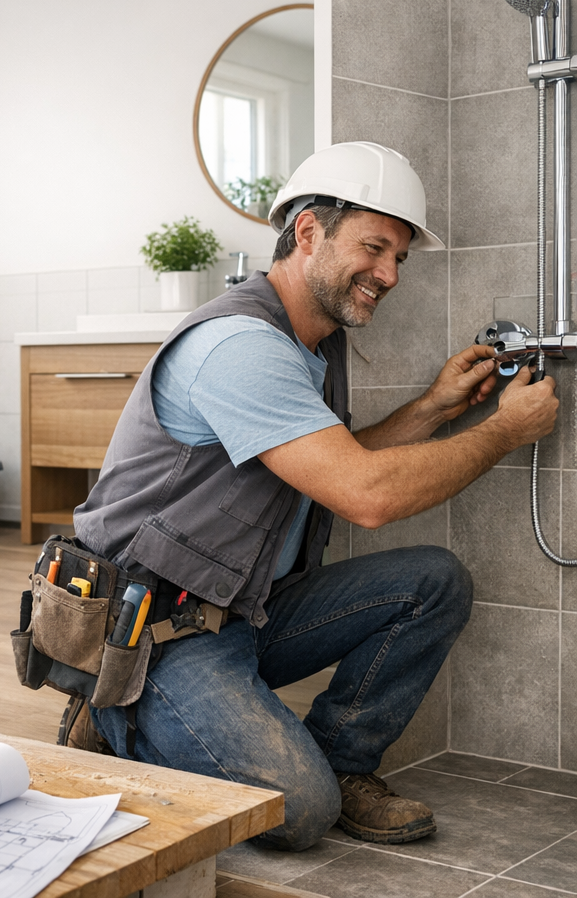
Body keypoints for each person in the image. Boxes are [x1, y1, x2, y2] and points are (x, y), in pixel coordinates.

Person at [71, 141, 559, 850]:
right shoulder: (241, 345)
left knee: (431, 581)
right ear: (307, 232)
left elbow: (336, 463)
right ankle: (112, 714)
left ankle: (340, 763)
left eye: (399, 258)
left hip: (241, 609)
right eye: (374, 248)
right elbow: (364, 494)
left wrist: (438, 407)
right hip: (154, 634)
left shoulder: (313, 340)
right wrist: (504, 433)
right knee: (298, 813)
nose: (389, 275)